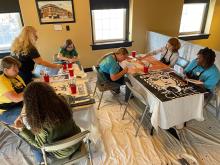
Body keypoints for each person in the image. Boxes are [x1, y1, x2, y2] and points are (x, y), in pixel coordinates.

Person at [13, 82, 81, 164]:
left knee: (32, 144)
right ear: (50, 92)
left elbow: (39, 145)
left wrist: (22, 129)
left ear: (29, 102)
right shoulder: (62, 101)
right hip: (77, 141)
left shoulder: (40, 122)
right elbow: (69, 97)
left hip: (61, 153)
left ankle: (40, 162)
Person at [0, 56, 25, 124]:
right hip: (6, 111)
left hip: (19, 105)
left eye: (17, 68)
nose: (18, 71)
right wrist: (32, 90)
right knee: (31, 117)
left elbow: (25, 90)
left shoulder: (16, 77)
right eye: (14, 69)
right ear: (5, 70)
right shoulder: (1, 81)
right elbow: (16, 98)